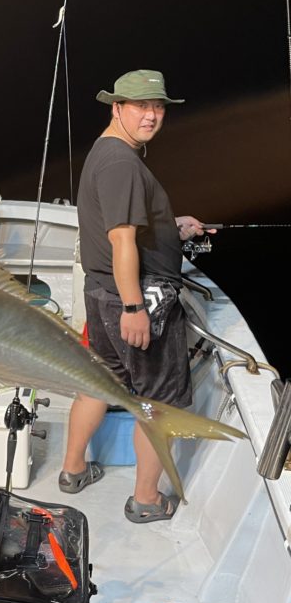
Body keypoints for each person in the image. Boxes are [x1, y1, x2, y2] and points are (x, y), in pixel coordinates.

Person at [58, 69, 213, 523]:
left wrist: (171, 227)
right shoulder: (122, 163)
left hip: (100, 292)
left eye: (158, 107)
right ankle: (146, 500)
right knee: (157, 403)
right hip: (132, 298)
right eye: (141, 106)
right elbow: (122, 240)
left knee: (99, 383)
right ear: (117, 108)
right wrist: (134, 308)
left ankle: (72, 471)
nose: (151, 116)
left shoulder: (107, 151)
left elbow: (128, 227)